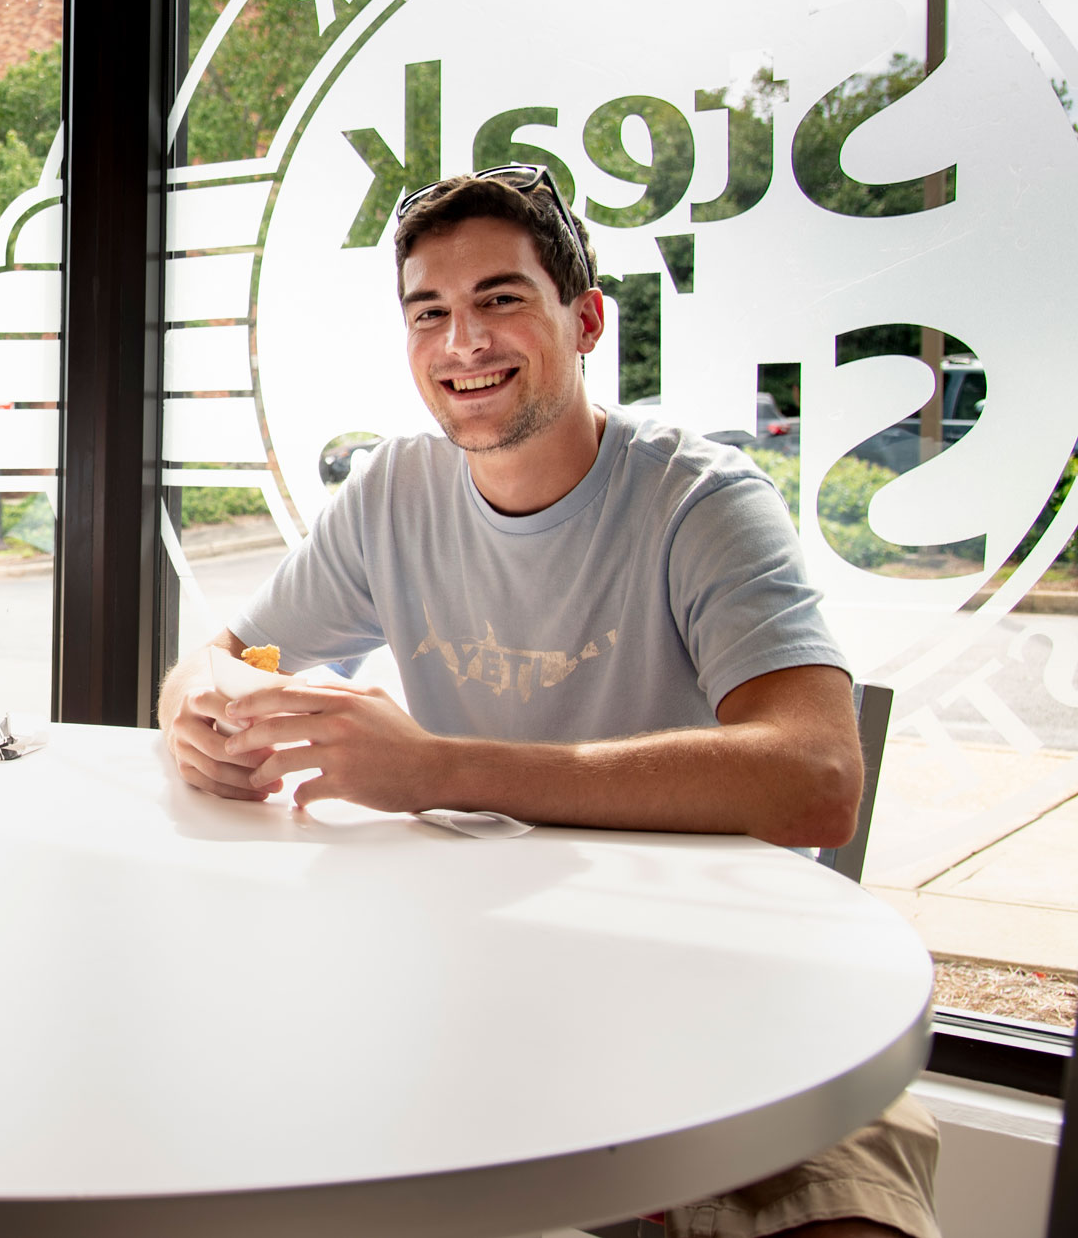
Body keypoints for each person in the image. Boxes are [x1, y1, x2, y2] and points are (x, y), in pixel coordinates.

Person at [158, 165, 937, 1238]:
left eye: (501, 300)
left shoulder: (700, 501)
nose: (462, 342)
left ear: (585, 320)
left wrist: (436, 768)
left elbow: (816, 781)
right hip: (479, 986)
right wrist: (199, 710)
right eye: (430, 313)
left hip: (716, 982)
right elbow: (219, 658)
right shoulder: (393, 490)